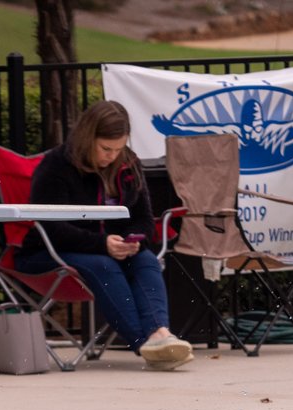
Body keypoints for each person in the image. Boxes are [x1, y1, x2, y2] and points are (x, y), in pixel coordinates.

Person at [16, 101, 194, 371]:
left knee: (145, 259)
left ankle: (160, 333)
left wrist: (133, 240)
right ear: (88, 138)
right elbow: (51, 226)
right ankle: (147, 344)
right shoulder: (56, 165)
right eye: (105, 148)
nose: (112, 156)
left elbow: (144, 219)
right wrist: (102, 244)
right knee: (103, 264)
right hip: (47, 252)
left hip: (109, 249)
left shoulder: (128, 162)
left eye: (118, 149)